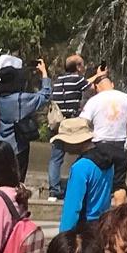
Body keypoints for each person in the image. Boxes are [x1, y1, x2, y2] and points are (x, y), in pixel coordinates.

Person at [83, 68, 127, 201]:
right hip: (121, 145)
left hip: (99, 145)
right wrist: (125, 133)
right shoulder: (125, 98)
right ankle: (119, 218)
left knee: (95, 177)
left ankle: (95, 212)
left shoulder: (94, 100)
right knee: (119, 184)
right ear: (112, 84)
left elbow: (83, 122)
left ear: (97, 87)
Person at [45, 56, 92, 199]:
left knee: (56, 159)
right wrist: (100, 75)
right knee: (86, 152)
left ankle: (53, 190)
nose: (84, 67)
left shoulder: (58, 81)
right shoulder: (78, 80)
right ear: (78, 67)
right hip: (74, 126)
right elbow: (90, 86)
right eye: (82, 65)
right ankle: (78, 186)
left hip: (59, 125)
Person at [56, 120, 115, 232]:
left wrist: (64, 236)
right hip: (102, 225)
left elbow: (72, 208)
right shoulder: (108, 162)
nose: (64, 146)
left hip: (83, 228)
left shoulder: (80, 167)